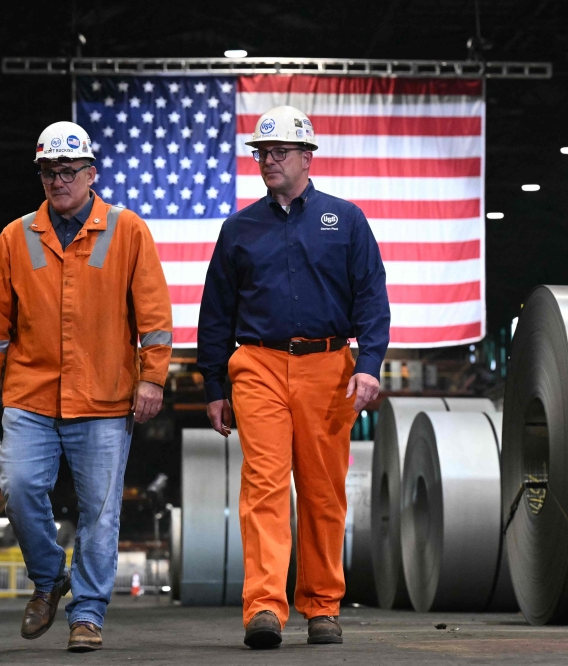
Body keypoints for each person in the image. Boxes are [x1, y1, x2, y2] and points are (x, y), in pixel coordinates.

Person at [0, 121, 173, 652]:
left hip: (105, 396)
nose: (57, 181)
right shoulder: (15, 237)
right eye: (47, 172)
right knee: (16, 488)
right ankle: (48, 577)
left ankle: (86, 613)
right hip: (30, 394)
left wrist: (152, 377)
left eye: (67, 171)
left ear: (91, 173)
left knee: (99, 512)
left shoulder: (127, 230)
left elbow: (153, 315)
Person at [197, 106, 390, 649]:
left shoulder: (345, 220)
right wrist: (215, 385)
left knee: (324, 492)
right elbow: (215, 313)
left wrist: (370, 365)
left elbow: (372, 298)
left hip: (330, 367)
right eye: (262, 152)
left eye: (280, 151)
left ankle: (323, 606)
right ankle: (264, 607)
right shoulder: (239, 229)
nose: (269, 161)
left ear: (308, 158)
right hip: (256, 364)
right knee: (263, 487)